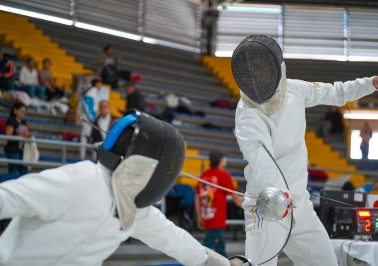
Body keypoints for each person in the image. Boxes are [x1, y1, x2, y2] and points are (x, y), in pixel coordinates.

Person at [232, 35, 378, 266]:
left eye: (261, 68)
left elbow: (335, 92)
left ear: (275, 68)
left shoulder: (294, 90)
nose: (256, 75)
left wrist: (373, 83)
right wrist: (279, 194)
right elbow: (261, 159)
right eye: (250, 70)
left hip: (301, 211)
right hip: (269, 209)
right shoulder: (247, 115)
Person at [0, 111, 233, 266]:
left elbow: (175, 241)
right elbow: (7, 198)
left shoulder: (134, 208)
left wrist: (225, 264)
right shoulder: (81, 180)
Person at [195, 150, 243, 257]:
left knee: (219, 244)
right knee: (209, 244)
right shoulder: (223, 175)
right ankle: (200, 262)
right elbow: (234, 196)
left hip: (206, 214)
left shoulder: (204, 175)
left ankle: (224, 262)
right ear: (220, 160)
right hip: (217, 216)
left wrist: (199, 216)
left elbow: (197, 197)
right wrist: (246, 207)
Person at [80, 79, 109, 160]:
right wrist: (93, 117)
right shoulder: (93, 90)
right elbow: (88, 104)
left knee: (91, 137)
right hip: (88, 119)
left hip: (89, 118)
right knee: (86, 136)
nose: (101, 86)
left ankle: (90, 156)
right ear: (96, 84)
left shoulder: (93, 91)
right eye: (100, 84)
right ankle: (82, 157)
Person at [4, 103, 31, 175]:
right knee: (13, 171)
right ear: (15, 110)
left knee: (24, 172)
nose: (23, 114)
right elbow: (8, 137)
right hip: (13, 150)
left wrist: (28, 135)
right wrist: (22, 136)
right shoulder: (11, 121)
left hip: (22, 151)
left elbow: (29, 133)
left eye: (24, 112)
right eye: (21, 112)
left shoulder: (23, 122)